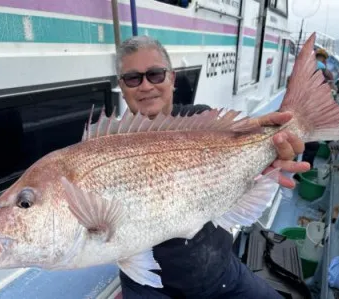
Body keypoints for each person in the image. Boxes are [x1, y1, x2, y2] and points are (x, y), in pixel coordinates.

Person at [115, 35, 310, 298]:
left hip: (223, 272)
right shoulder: (111, 145)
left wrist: (272, 147)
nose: (146, 85)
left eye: (155, 74)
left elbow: (244, 149)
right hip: (151, 286)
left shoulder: (201, 120)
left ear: (171, 79)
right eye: (133, 78)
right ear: (122, 87)